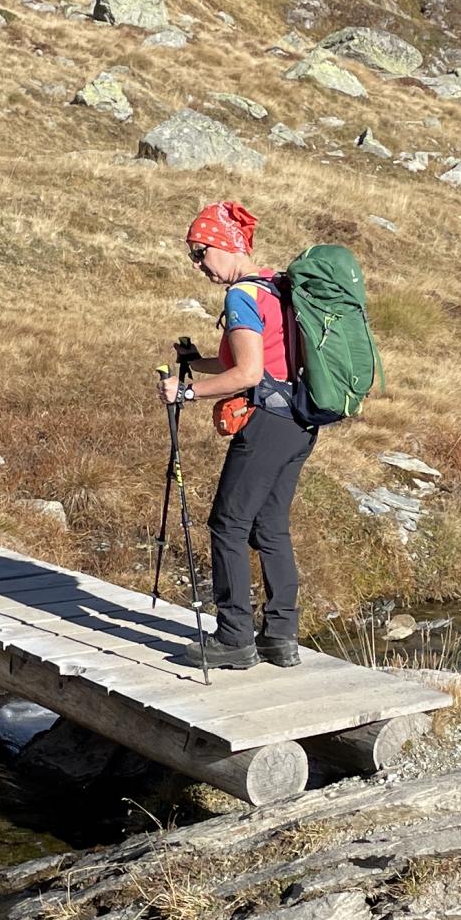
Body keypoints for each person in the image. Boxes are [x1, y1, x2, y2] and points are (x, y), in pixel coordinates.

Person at [157, 199, 311, 670]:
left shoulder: (241, 296)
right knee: (270, 526)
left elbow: (246, 374)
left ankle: (234, 638)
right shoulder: (278, 285)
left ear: (225, 244)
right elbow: (260, 362)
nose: (198, 264)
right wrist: (194, 365)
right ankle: (280, 638)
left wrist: (185, 394)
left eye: (200, 252)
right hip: (300, 420)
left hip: (266, 423)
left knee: (227, 525)